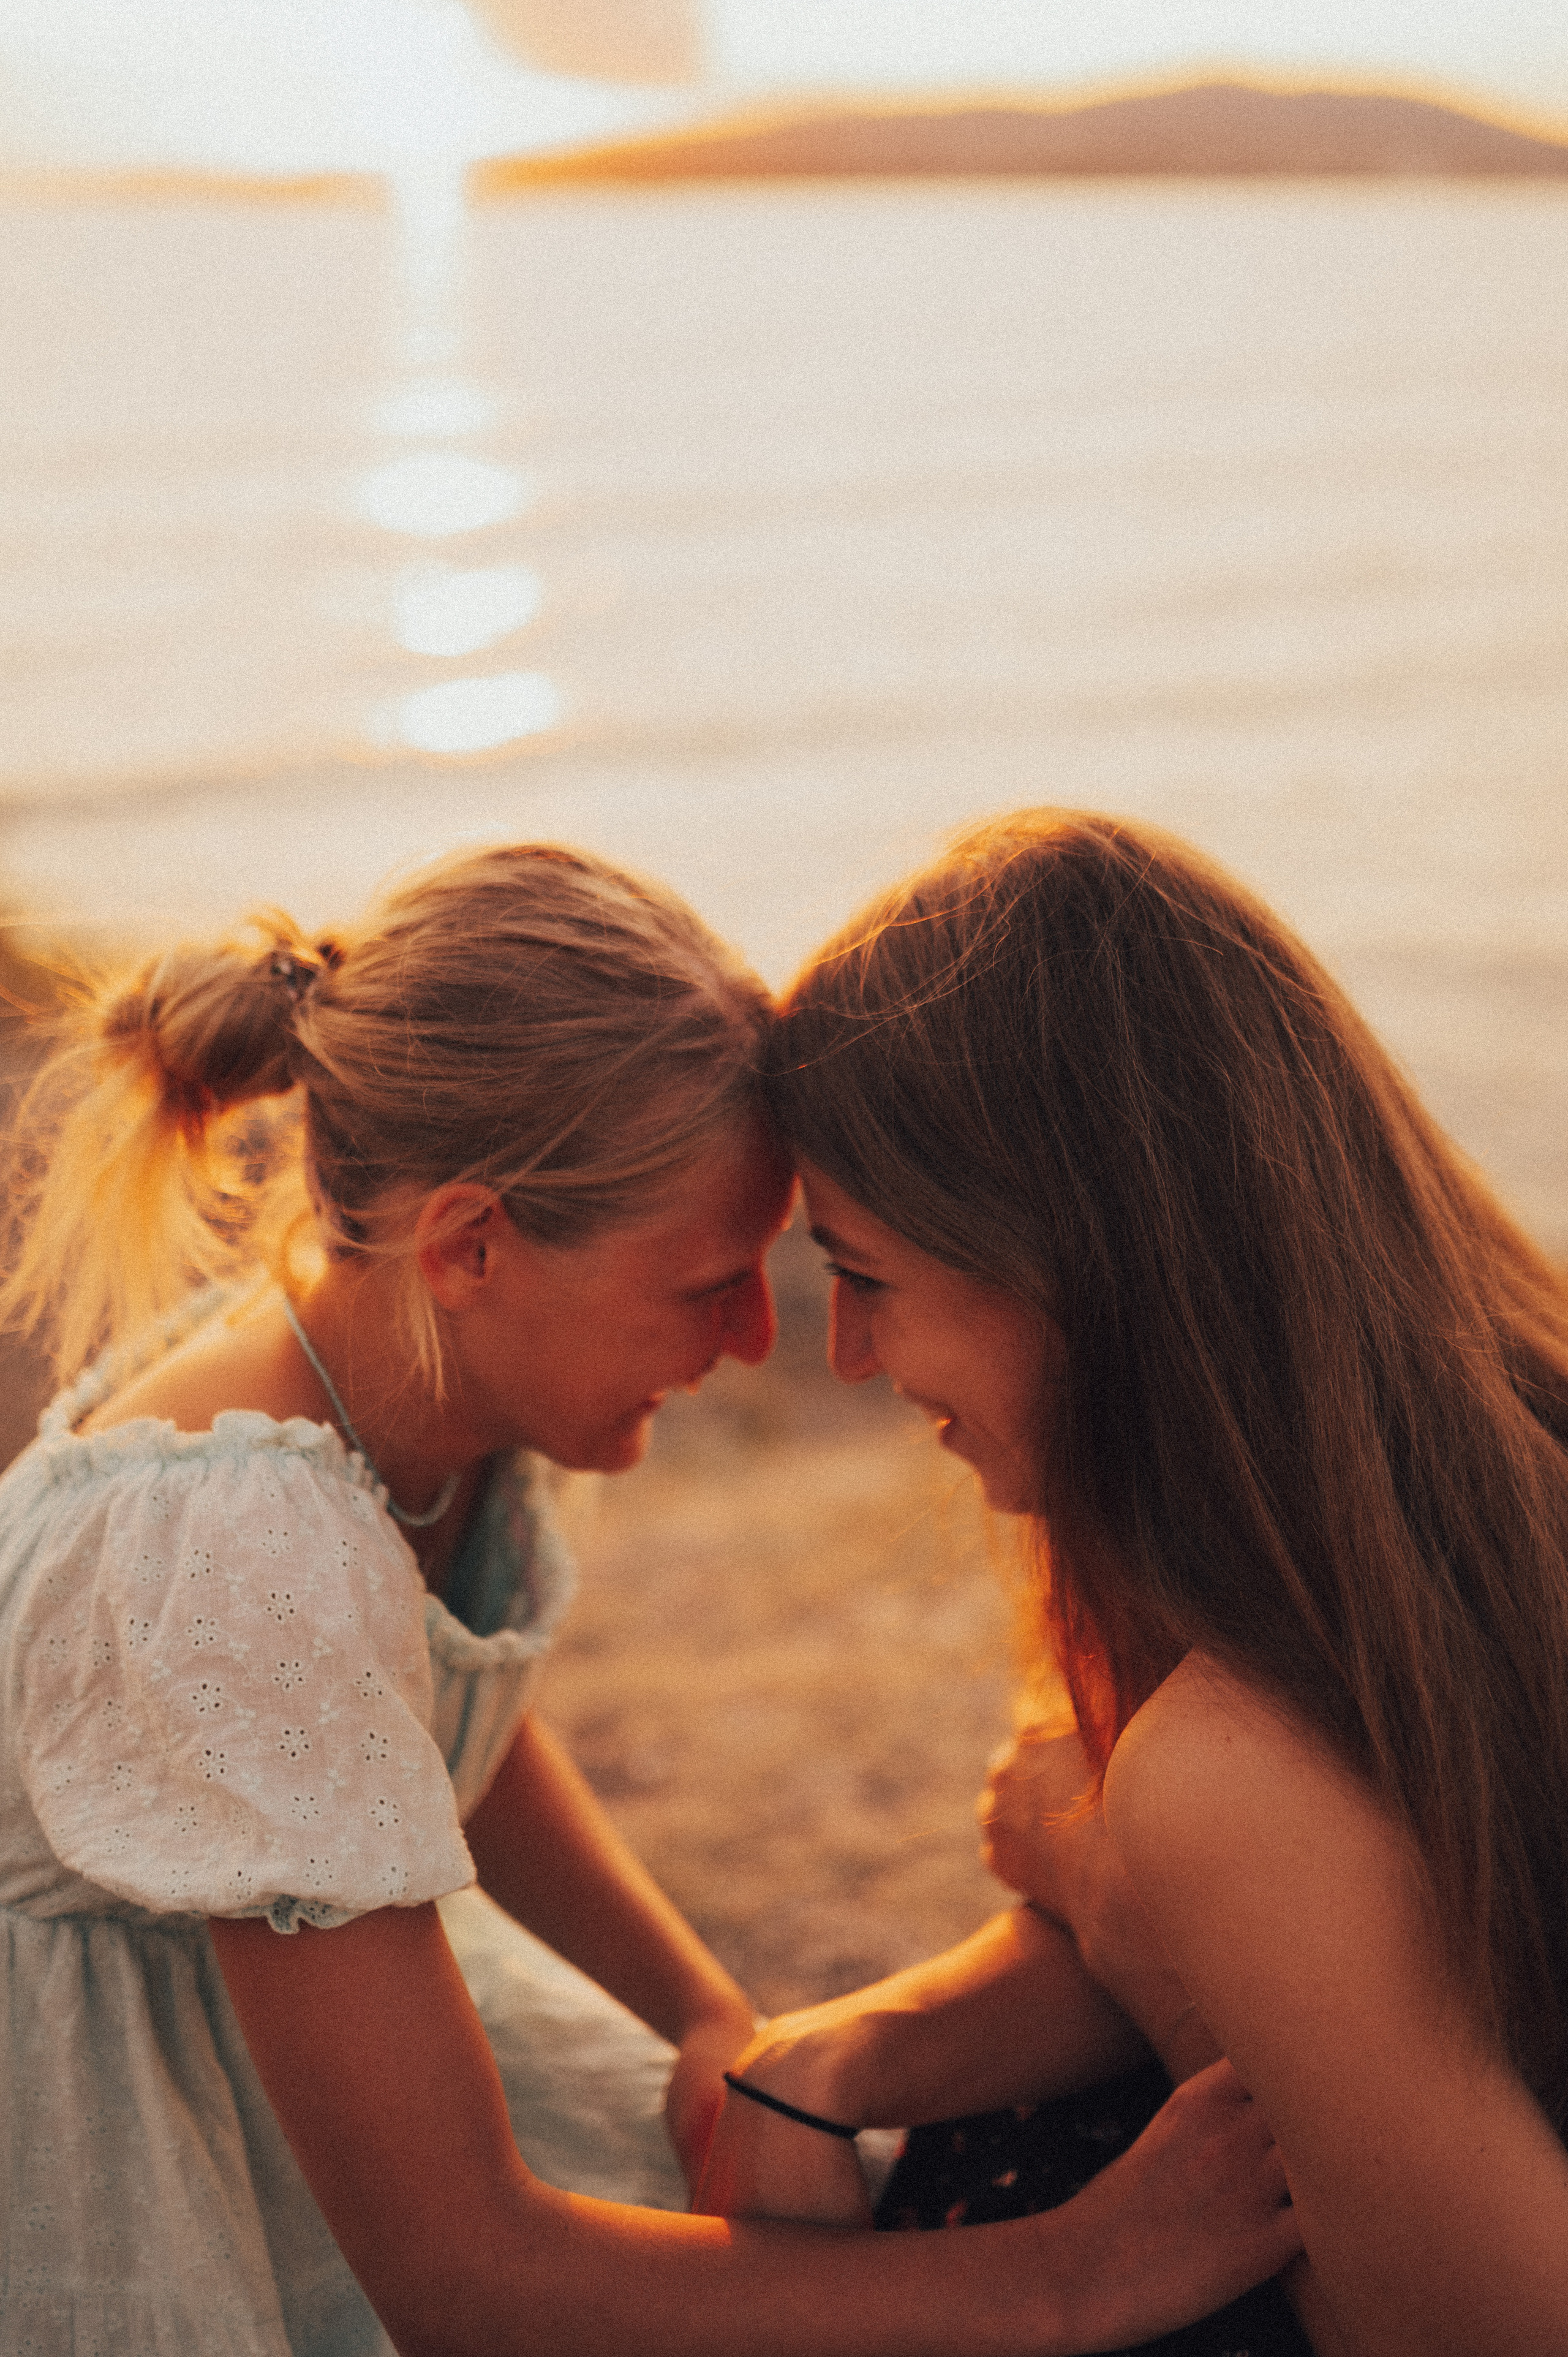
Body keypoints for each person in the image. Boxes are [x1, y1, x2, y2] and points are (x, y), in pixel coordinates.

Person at [0, 840, 1299, 2356]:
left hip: (307, 1994)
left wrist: (696, 2006)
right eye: (702, 1287)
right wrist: (1073, 2274)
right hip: (110, 2102)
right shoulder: (237, 1548)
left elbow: (409, 1721)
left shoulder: (413, 1354)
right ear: (472, 1243)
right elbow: (464, 2279)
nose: (759, 1338)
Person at [701, 808, 1568, 2356]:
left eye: (865, 1275)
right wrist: (847, 2055)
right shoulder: (1487, 1446)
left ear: (1063, 1261)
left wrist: (1133, 1918)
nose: (844, 1354)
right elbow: (1363, 2002)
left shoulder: (1229, 1773)